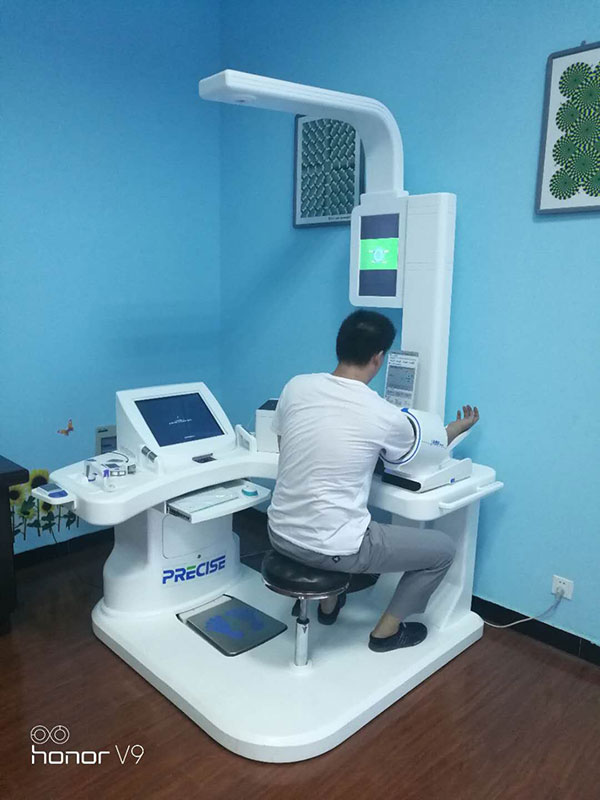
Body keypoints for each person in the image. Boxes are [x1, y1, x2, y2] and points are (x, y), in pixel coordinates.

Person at [267, 310, 480, 652]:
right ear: (378, 358)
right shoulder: (383, 414)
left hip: (279, 532)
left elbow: (285, 447)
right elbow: (419, 453)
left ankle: (328, 604)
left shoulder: (297, 386)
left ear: (339, 346)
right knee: (442, 550)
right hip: (331, 548)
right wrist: (455, 429)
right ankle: (386, 633)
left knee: (337, 523)